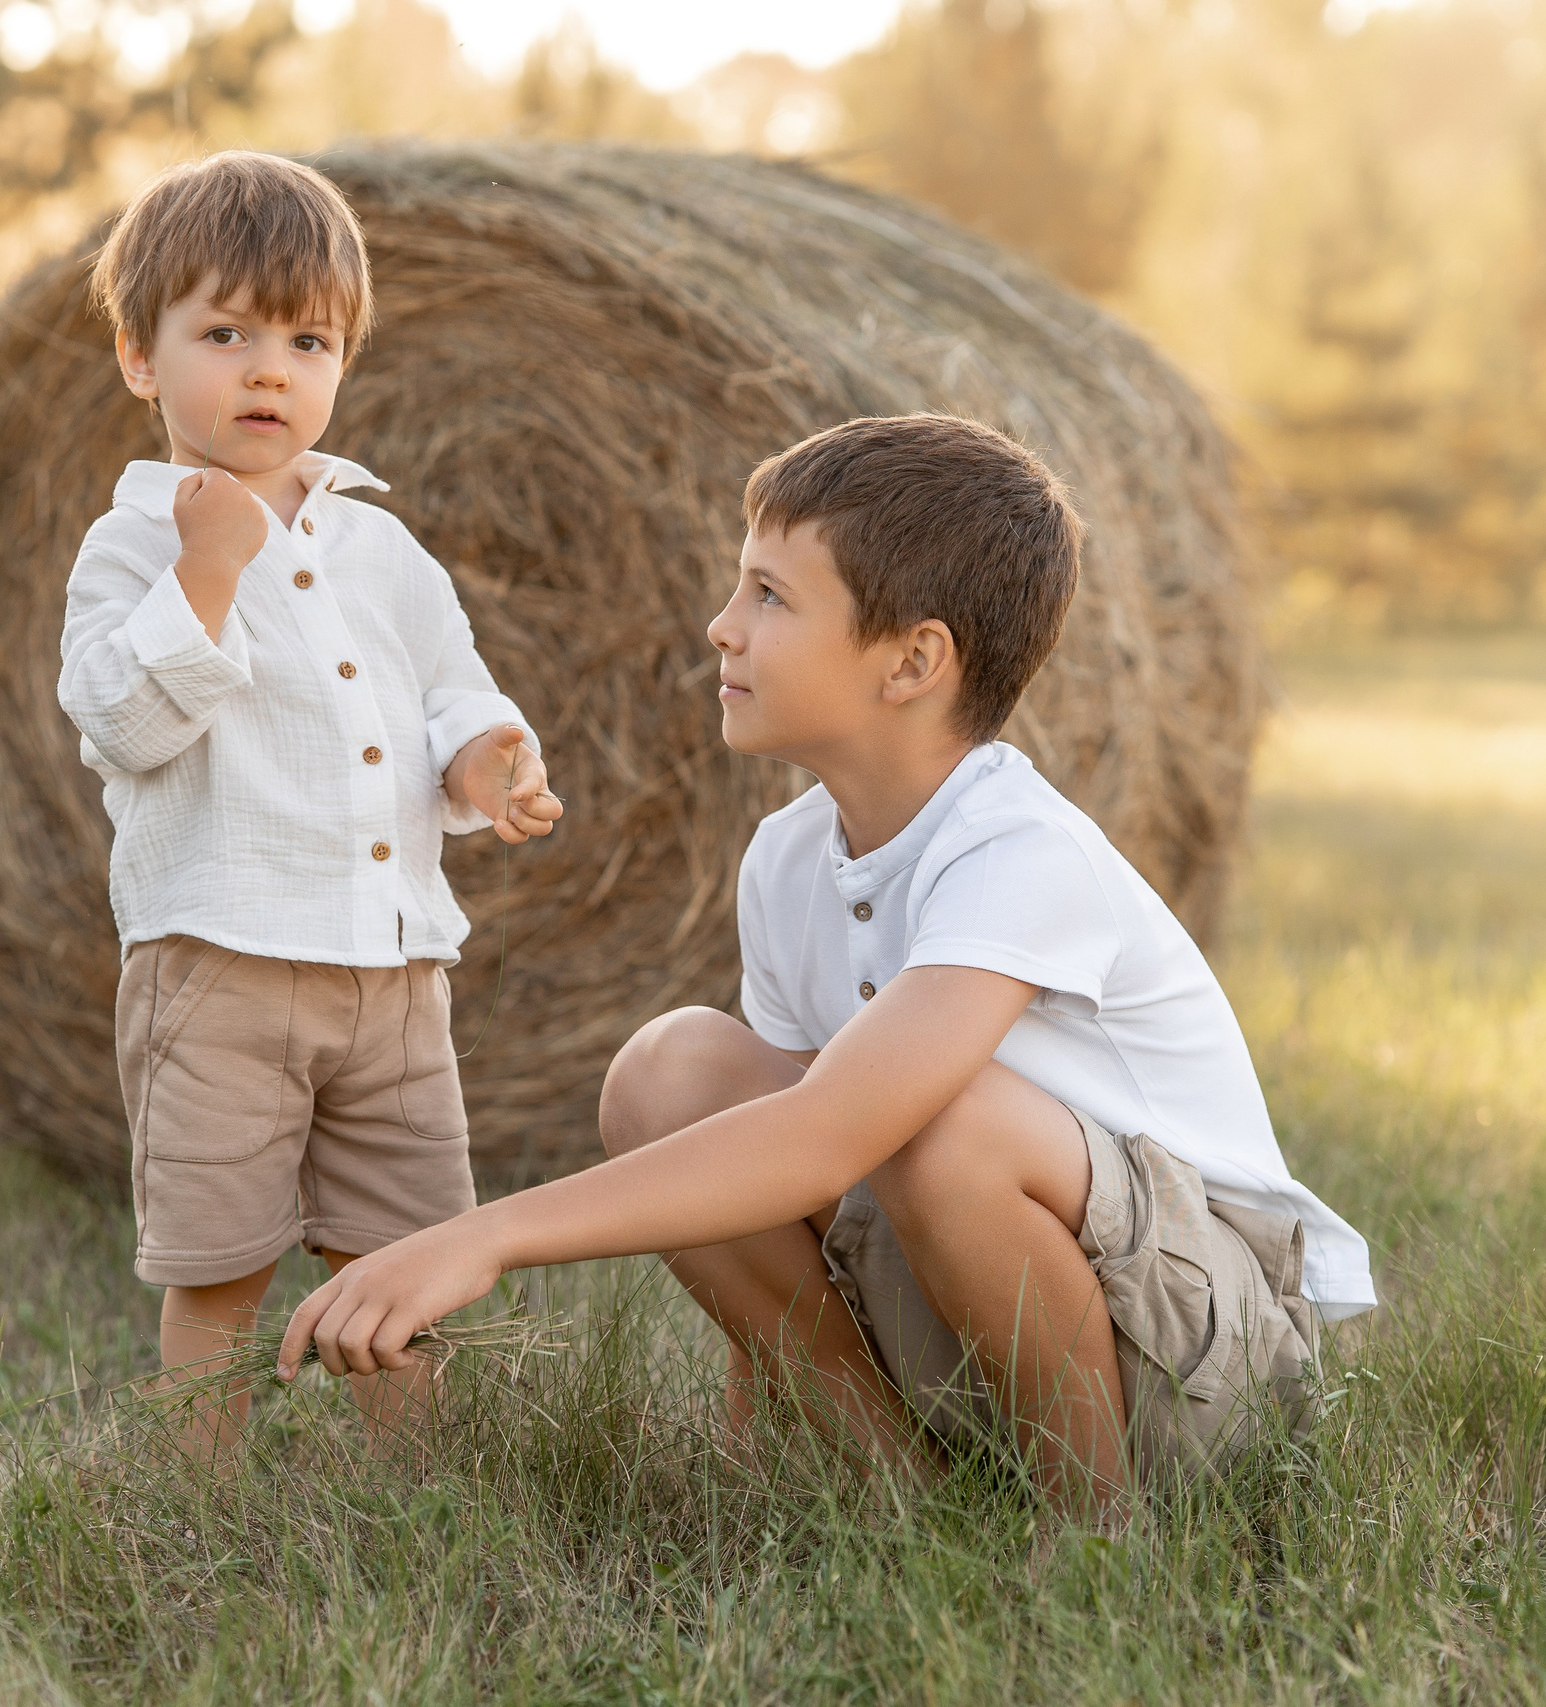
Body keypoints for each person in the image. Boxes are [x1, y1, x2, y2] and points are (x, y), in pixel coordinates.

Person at [279, 413, 1373, 1513]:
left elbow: (827, 1139)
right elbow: (762, 1184)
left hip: (1203, 1366)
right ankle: (886, 1499)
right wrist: (755, 1435)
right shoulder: (790, 855)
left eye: (769, 596)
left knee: (935, 1123)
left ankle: (1093, 1532)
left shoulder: (1019, 852)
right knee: (677, 1072)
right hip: (977, 1335)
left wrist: (485, 1238)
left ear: (911, 661)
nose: (721, 627)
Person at [58, 151, 563, 1459]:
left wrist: (486, 759)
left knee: (405, 1259)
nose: (267, 367)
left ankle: (423, 1495)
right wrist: (207, 578)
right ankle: (199, 1503)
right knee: (218, 1267)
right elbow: (121, 723)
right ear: (140, 359)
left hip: (395, 973)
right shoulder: (131, 548)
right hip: (217, 967)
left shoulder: (380, 548)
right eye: (222, 333)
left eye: (306, 337)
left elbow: (446, 689)